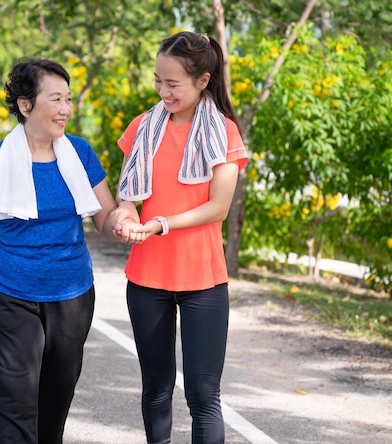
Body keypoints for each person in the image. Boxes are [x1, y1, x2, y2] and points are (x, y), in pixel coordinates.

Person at [0, 57, 137, 444]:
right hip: (9, 294)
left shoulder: (81, 153)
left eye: (68, 100)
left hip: (71, 296)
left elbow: (104, 220)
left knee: (54, 403)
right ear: (26, 105)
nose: (66, 109)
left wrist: (124, 220)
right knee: (15, 400)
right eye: (56, 99)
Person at [115, 32, 249, 443]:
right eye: (158, 81)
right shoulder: (142, 126)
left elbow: (218, 208)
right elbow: (129, 196)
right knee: (156, 389)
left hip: (203, 282)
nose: (163, 91)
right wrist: (126, 215)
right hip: (146, 278)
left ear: (203, 81)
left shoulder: (223, 132)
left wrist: (159, 224)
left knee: (203, 395)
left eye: (173, 84)